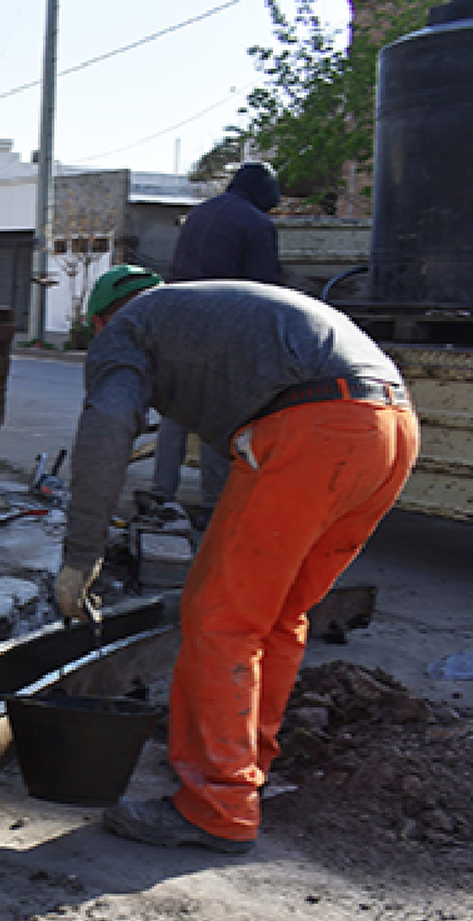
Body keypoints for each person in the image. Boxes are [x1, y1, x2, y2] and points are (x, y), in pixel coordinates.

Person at [57, 265, 419, 854]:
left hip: (315, 431)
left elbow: (107, 428)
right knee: (277, 615)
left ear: (101, 322)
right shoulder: (207, 312)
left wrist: (81, 557)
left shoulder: (126, 330)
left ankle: (217, 807)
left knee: (219, 616)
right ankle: (243, 766)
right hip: (390, 427)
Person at [148, 162, 285, 526]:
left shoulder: (199, 215)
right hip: (223, 327)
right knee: (219, 415)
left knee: (176, 414)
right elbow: (263, 289)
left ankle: (161, 493)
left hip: (179, 322)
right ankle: (213, 504)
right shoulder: (256, 224)